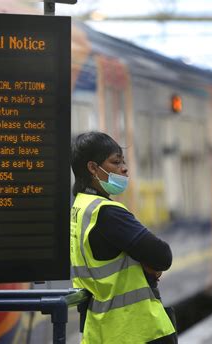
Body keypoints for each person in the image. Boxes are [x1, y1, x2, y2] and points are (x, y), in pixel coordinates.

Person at [70, 131, 177, 343]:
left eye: (123, 162)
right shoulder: (108, 212)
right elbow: (163, 256)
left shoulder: (79, 208)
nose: (125, 168)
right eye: (116, 162)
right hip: (139, 331)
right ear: (92, 168)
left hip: (101, 332)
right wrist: (147, 265)